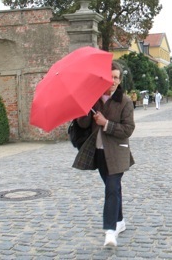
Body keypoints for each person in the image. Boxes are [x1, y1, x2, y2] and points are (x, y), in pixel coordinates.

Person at [72, 61, 135, 248]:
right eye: (111, 77)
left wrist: (106, 123)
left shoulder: (125, 101)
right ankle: (120, 220)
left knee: (112, 188)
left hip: (117, 153)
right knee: (112, 188)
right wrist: (82, 111)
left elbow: (128, 129)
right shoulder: (94, 99)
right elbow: (83, 125)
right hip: (98, 153)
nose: (114, 81)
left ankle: (110, 231)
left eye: (117, 77)